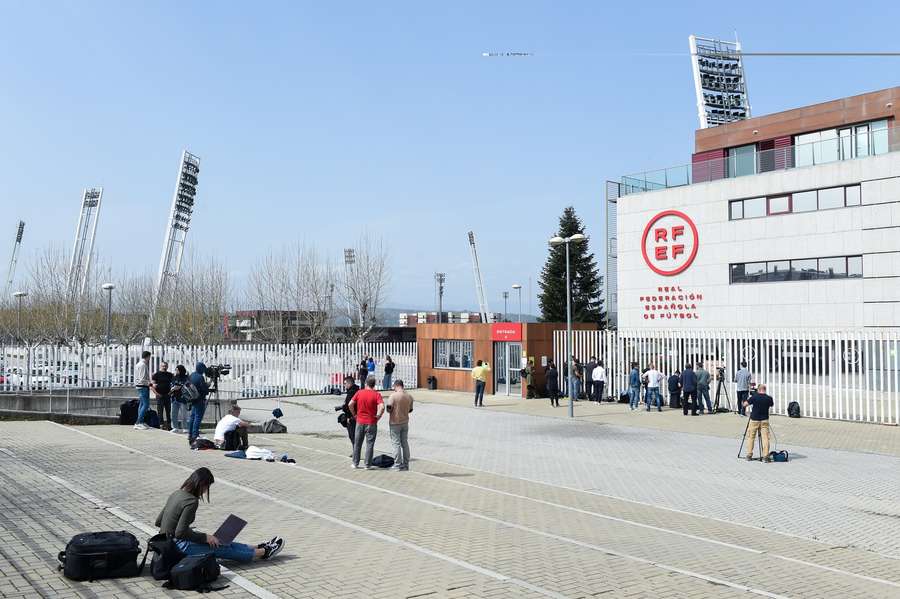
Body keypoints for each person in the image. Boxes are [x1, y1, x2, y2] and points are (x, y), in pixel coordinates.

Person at [156, 467, 283, 562]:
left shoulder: (176, 493)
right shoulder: (191, 501)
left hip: (167, 542)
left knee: (221, 542)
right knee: (221, 548)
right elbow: (180, 533)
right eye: (207, 487)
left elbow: (158, 521)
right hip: (179, 545)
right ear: (202, 484)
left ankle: (256, 547)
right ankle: (264, 552)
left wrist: (196, 534)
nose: (206, 491)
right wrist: (205, 537)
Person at [349, 376, 384, 469]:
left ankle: (355, 463)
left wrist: (354, 414)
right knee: (370, 443)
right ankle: (367, 464)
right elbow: (382, 406)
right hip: (371, 422)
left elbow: (350, 404)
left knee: (357, 443)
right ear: (374, 384)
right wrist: (378, 416)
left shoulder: (359, 392)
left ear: (366, 383)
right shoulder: (376, 394)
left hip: (360, 421)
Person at [386, 379, 413, 471]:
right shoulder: (409, 396)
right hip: (405, 422)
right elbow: (410, 410)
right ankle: (406, 464)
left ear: (396, 386)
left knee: (396, 443)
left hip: (395, 422)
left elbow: (389, 409)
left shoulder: (393, 396)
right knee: (404, 443)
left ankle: (397, 464)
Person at [743, 384, 775, 462]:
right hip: (764, 420)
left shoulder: (754, 397)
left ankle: (749, 455)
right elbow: (771, 404)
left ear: (758, 389)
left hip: (754, 420)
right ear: (765, 389)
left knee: (751, 437)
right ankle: (765, 456)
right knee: (765, 438)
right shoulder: (769, 398)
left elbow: (745, 404)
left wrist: (744, 400)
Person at [187, 362, 211, 445]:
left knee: (192, 417)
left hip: (192, 399)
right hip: (199, 399)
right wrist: (207, 386)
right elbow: (203, 389)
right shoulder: (200, 377)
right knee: (197, 417)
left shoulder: (192, 375)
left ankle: (190, 434)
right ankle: (195, 435)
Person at [151, 361, 175, 431]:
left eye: (165, 366)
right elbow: (152, 386)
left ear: (167, 366)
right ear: (160, 366)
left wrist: (170, 393)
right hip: (159, 395)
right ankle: (161, 425)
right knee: (160, 411)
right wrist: (157, 394)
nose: (164, 367)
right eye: (163, 366)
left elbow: (174, 384)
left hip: (167, 395)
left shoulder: (170, 375)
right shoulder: (156, 375)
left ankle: (169, 425)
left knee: (168, 411)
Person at [133, 351, 151, 430]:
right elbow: (142, 378)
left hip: (139, 386)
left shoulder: (138, 364)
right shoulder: (143, 365)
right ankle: (138, 422)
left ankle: (141, 421)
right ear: (147, 357)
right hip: (143, 386)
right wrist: (150, 384)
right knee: (146, 405)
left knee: (141, 404)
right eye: (149, 357)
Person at [170, 364, 190, 434]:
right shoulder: (174, 377)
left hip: (183, 398)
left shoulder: (186, 377)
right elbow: (171, 384)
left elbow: (188, 385)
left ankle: (185, 427)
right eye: (176, 370)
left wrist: (181, 387)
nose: (176, 371)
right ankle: (175, 427)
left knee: (184, 414)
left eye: (177, 370)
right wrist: (173, 388)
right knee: (173, 413)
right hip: (174, 397)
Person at [340, 375, 359, 448]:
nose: (344, 385)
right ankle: (356, 451)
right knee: (355, 435)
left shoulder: (351, 392)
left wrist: (348, 416)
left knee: (352, 435)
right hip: (358, 416)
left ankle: (356, 452)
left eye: (345, 383)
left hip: (352, 417)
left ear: (349, 383)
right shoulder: (358, 390)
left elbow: (348, 405)